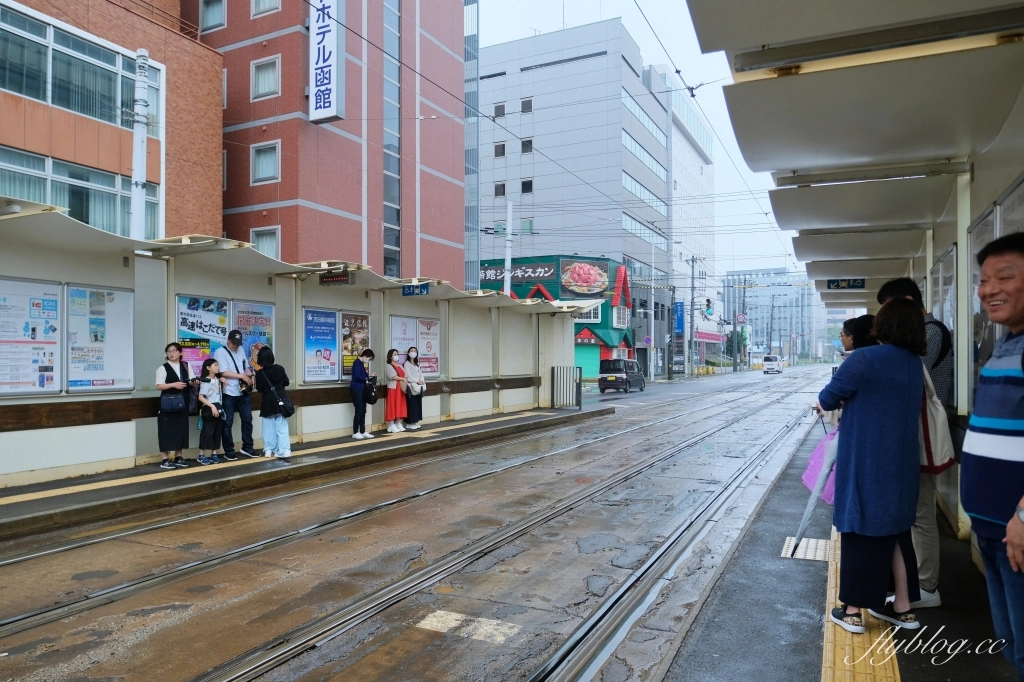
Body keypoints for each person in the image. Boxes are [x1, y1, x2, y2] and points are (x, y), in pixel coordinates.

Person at [819, 298, 926, 634]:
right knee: (895, 531)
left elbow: (827, 397)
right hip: (902, 462)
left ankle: (852, 611)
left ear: (884, 323)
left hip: (867, 459)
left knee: (859, 527)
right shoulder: (913, 362)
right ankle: (904, 608)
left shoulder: (865, 358)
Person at [961, 232, 1024, 680]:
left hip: (1017, 534)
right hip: (993, 530)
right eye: (984, 279)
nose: (989, 289)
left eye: (1005, 276)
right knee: (1013, 645)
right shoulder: (1005, 344)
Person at [877, 278, 954, 609]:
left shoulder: (931, 331)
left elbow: (905, 373)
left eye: (888, 307)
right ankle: (916, 580)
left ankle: (927, 586)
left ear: (906, 302)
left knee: (922, 512)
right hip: (912, 431)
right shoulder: (921, 333)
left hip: (922, 434)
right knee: (913, 511)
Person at [213, 330, 257, 460]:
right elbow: (223, 372)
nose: (235, 346)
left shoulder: (241, 350)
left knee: (248, 419)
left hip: (242, 391)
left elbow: (245, 366)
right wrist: (242, 376)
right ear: (228, 340)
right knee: (227, 422)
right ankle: (229, 450)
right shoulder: (220, 352)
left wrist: (251, 374)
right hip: (228, 392)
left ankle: (248, 447)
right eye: (233, 343)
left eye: (238, 343)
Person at [155, 343, 192, 470]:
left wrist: (194, 382)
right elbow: (159, 385)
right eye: (168, 351)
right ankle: (165, 459)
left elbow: (190, 381)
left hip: (182, 403)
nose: (171, 353)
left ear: (180, 353)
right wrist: (173, 385)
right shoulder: (163, 368)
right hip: (168, 404)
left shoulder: (186, 366)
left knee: (180, 429)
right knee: (165, 430)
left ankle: (178, 457)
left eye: (174, 351)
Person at [254, 346, 291, 459]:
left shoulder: (260, 373)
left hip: (267, 403)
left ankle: (269, 450)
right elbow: (287, 382)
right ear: (271, 357)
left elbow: (260, 389)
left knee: (268, 429)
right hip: (280, 401)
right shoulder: (280, 368)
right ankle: (284, 451)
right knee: (282, 428)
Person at [196, 358, 225, 465]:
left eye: (218, 365)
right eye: (215, 365)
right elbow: (201, 397)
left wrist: (224, 385)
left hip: (218, 407)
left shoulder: (218, 379)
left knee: (217, 431)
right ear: (208, 368)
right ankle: (201, 455)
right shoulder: (206, 381)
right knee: (207, 431)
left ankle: (214, 454)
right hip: (209, 408)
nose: (218, 367)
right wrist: (212, 406)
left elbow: (218, 394)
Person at [350, 348, 376, 440]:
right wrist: (365, 379)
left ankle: (362, 431)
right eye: (369, 359)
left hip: (362, 389)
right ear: (365, 356)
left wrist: (369, 376)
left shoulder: (360, 364)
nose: (368, 361)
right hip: (356, 389)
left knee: (363, 410)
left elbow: (362, 375)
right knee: (359, 410)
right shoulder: (357, 363)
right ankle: (355, 432)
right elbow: (357, 376)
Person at [384, 348, 408, 432]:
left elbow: (405, 374)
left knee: (400, 405)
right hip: (393, 388)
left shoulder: (400, 365)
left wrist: (404, 379)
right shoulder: (389, 366)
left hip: (401, 388)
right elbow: (392, 376)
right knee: (392, 405)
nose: (396, 356)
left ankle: (398, 422)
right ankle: (391, 424)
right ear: (390, 357)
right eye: (394, 354)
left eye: (397, 354)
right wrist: (402, 378)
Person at [403, 346, 425, 430]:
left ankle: (415, 421)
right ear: (408, 353)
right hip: (411, 386)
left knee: (417, 404)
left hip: (418, 387)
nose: (413, 352)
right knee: (411, 404)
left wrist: (422, 380)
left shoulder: (417, 364)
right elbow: (407, 375)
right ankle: (409, 423)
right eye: (411, 351)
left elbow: (421, 374)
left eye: (415, 351)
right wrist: (417, 380)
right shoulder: (406, 363)